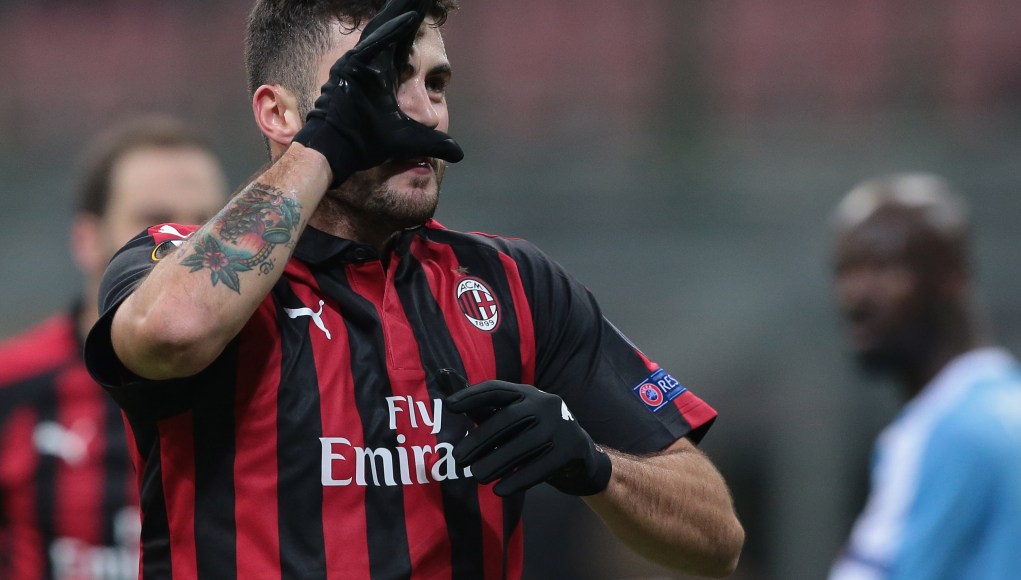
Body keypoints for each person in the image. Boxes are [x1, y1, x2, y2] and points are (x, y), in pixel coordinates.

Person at [82, 1, 745, 578]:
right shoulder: (172, 258)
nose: (423, 112)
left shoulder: (515, 282)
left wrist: (594, 465)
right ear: (279, 112)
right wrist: (324, 147)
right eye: (376, 84)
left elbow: (718, 540)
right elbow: (172, 331)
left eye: (435, 83)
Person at [0, 116, 228, 580]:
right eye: (154, 222)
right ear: (86, 240)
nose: (185, 243)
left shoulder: (272, 383)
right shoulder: (13, 387)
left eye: (209, 223)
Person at [828, 173, 1021, 580]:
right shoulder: (1007, 408)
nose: (855, 296)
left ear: (954, 275)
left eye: (883, 267)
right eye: (845, 271)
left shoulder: (945, 431)